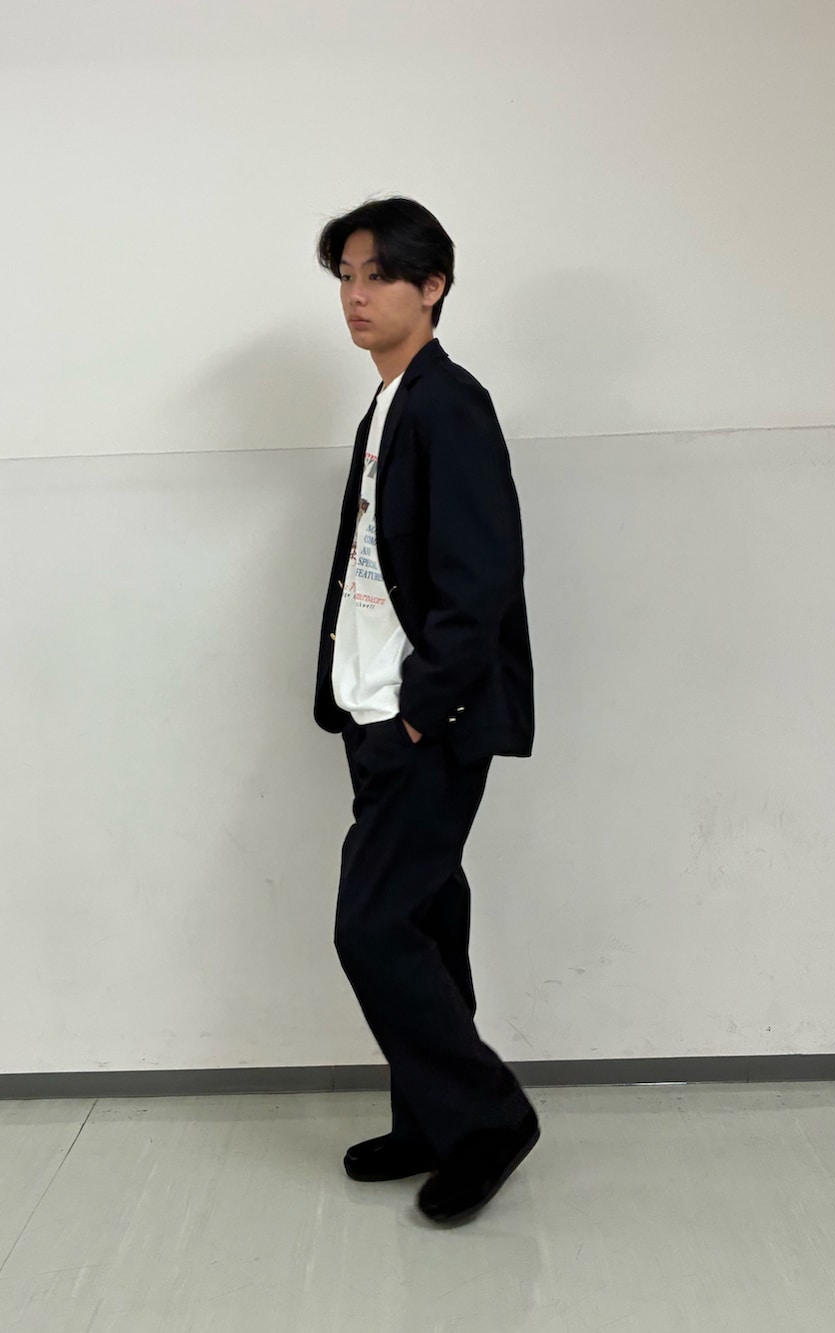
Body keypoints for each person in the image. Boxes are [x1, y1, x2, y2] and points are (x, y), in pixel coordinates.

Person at [313, 196, 539, 1225]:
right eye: (345, 277)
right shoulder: (390, 403)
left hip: (423, 719)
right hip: (373, 708)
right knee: (424, 917)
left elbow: (482, 576)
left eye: (376, 275)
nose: (355, 296)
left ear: (432, 285)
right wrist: (369, 701)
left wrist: (420, 709)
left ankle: (488, 1119)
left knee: (370, 925)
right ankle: (432, 1119)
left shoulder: (450, 403)